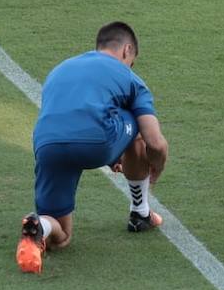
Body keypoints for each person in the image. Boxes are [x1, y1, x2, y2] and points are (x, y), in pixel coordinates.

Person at [16, 21, 168, 274]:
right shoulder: (130, 78)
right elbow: (155, 142)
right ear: (127, 50)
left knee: (62, 237)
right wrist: (157, 165)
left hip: (47, 144)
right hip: (96, 142)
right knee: (135, 116)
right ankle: (140, 213)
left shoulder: (61, 69)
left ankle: (39, 226)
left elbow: (71, 118)